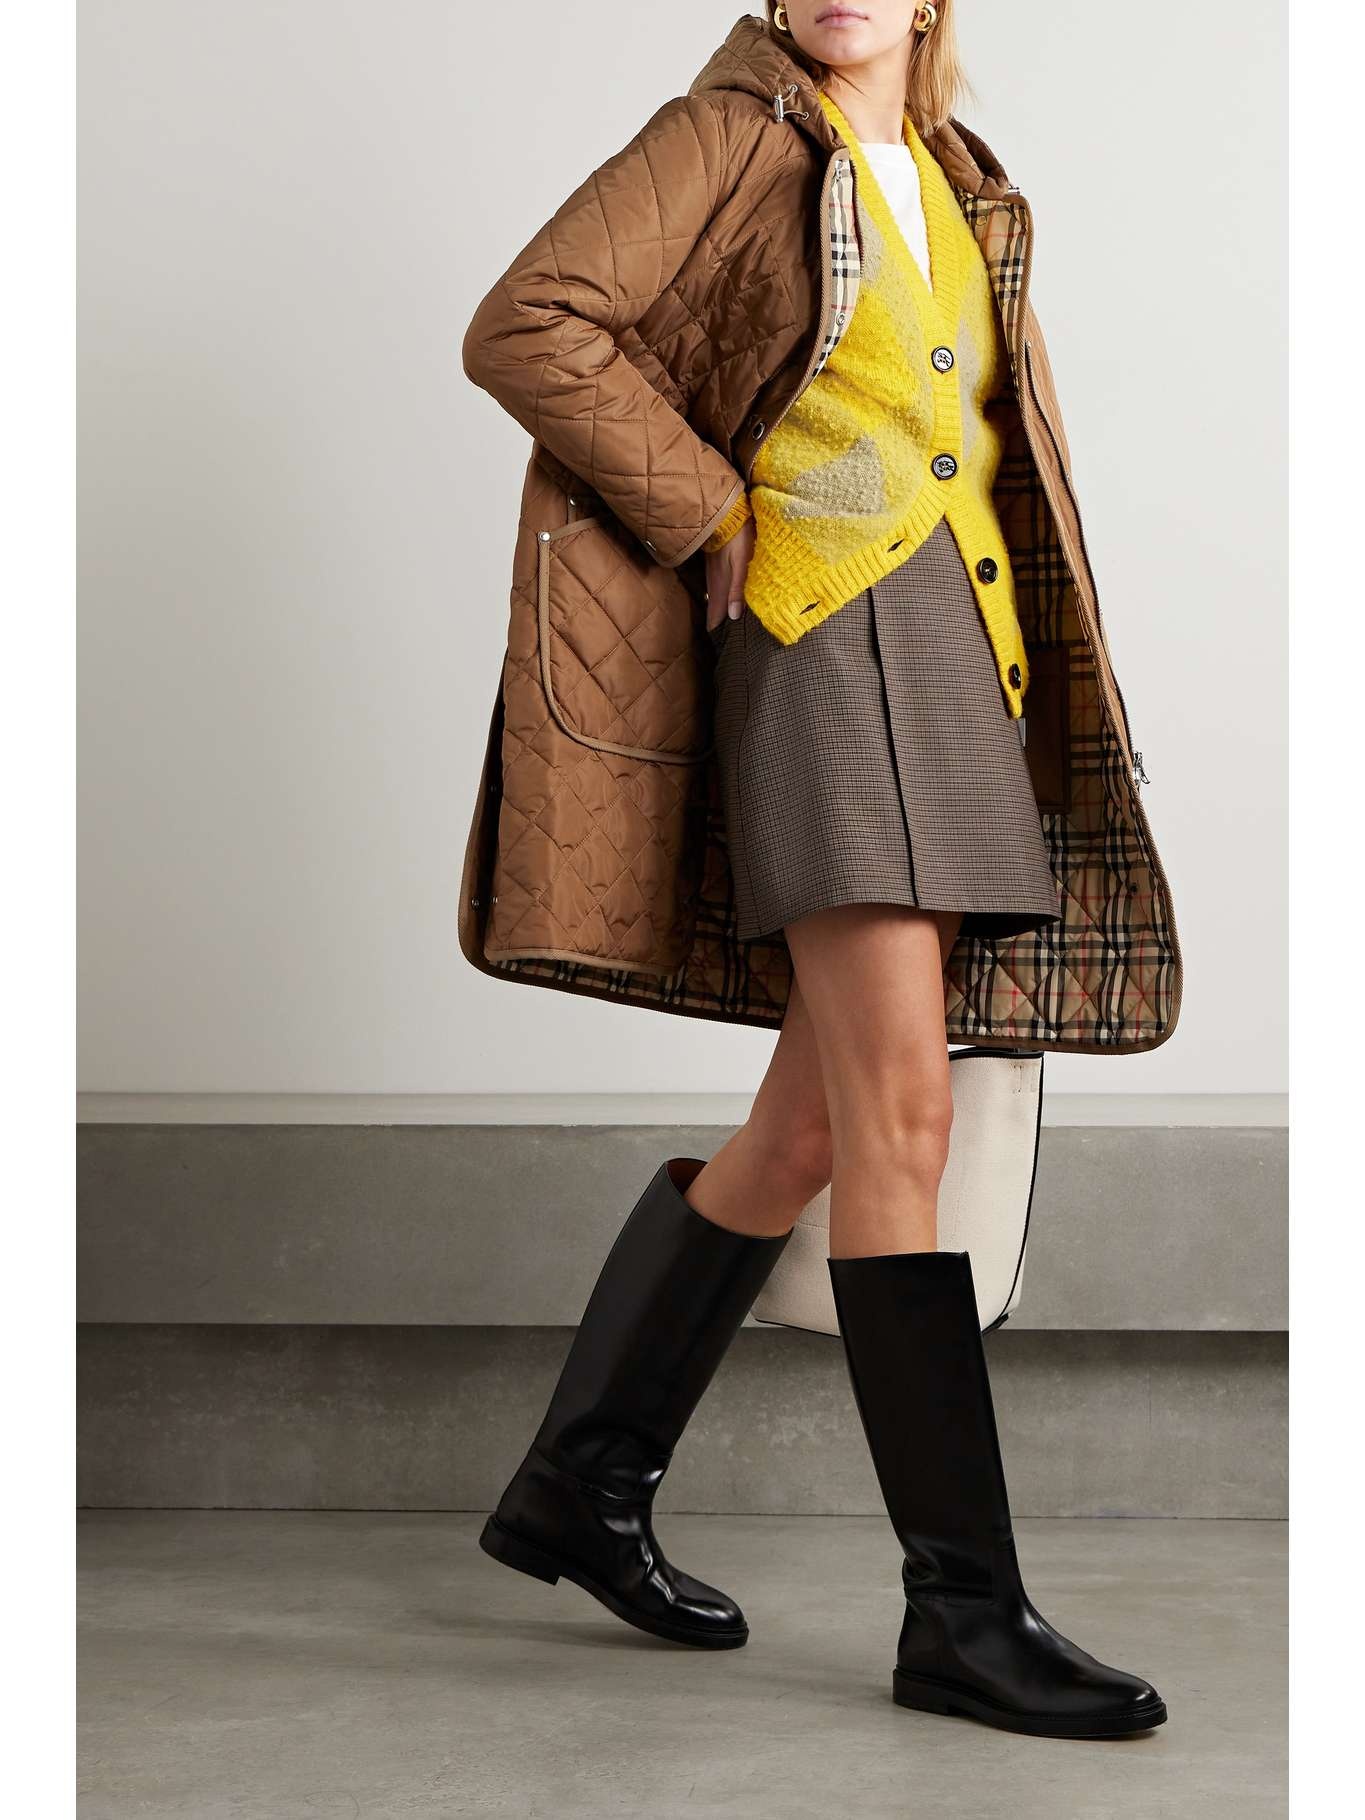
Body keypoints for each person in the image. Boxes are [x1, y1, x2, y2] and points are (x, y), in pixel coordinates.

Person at [459, 2, 1180, 1739]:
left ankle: (578, 1480)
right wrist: (710, 509)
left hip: (950, 652)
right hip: (826, 641)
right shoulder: (729, 131)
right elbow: (527, 321)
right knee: (901, 1119)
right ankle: (962, 1613)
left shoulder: (951, 171)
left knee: (809, 1128)